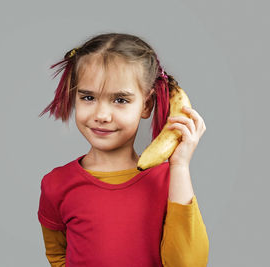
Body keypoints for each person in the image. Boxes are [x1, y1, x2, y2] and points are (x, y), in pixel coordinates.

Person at [37, 32, 209, 267]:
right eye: (88, 97)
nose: (101, 115)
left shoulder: (169, 182)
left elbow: (189, 264)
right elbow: (58, 256)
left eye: (120, 100)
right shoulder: (56, 184)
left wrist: (179, 166)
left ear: (146, 105)